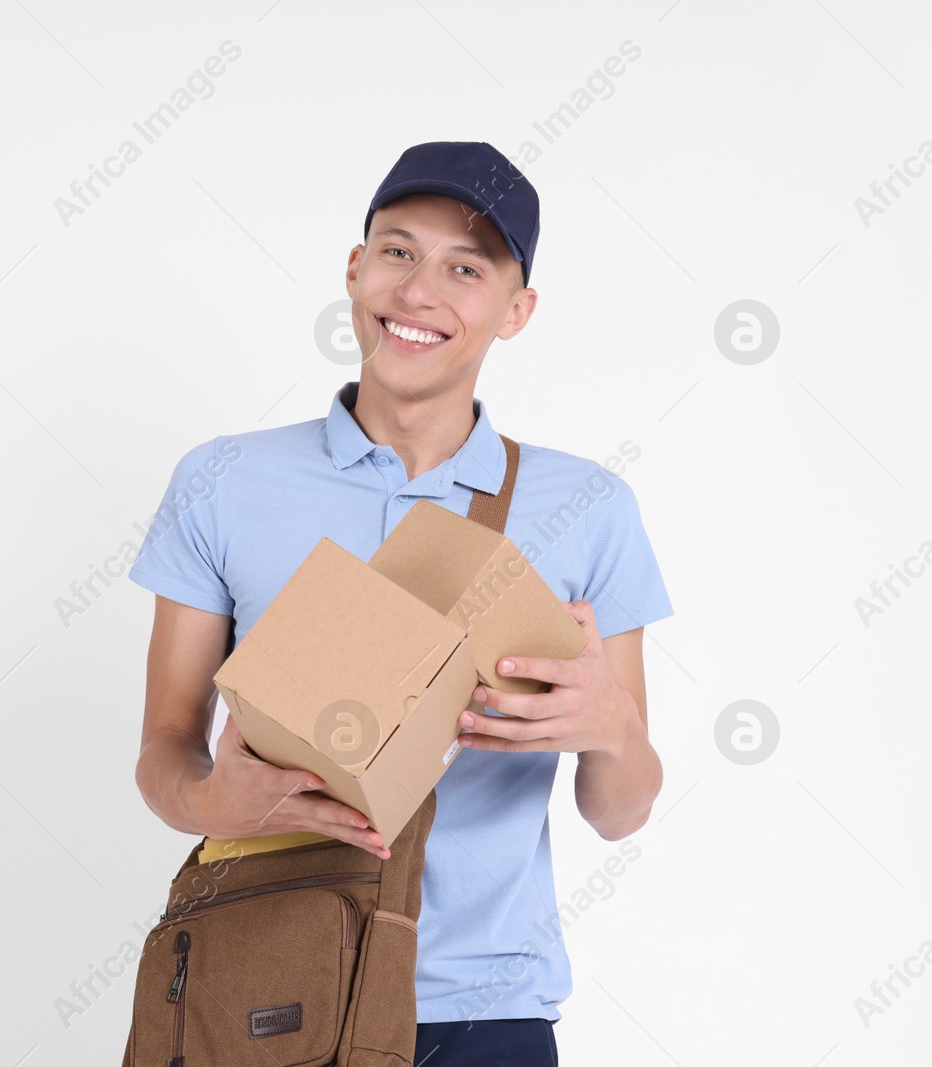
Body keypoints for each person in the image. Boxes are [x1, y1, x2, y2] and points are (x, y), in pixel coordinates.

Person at [128, 140, 673, 1066]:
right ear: (356, 267)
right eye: (398, 251)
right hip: (273, 982)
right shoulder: (224, 479)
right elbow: (163, 754)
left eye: (467, 267)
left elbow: (619, 810)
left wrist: (612, 729)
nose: (420, 291)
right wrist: (218, 796)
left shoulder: (587, 506)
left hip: (485, 1008)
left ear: (516, 310)